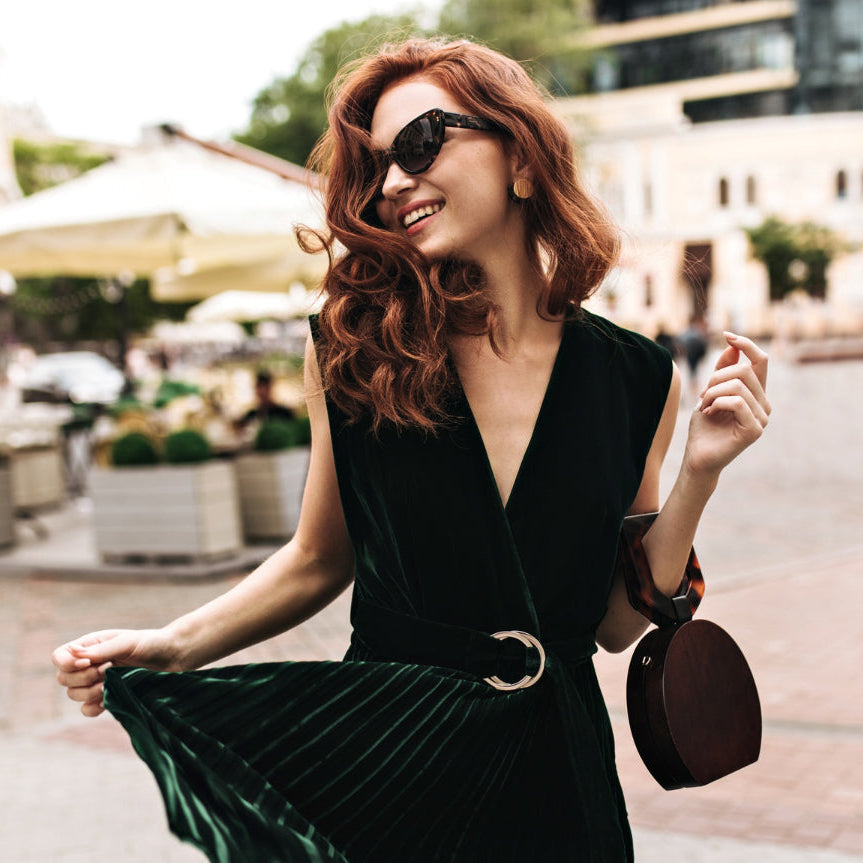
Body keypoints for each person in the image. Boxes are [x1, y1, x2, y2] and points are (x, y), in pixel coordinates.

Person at [52, 39, 770, 862]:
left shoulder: (635, 376)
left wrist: (700, 474)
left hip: (558, 786)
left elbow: (611, 625)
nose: (393, 183)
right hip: (391, 763)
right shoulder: (356, 353)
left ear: (521, 158)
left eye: (421, 143)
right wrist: (171, 644)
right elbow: (319, 558)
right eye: (380, 166)